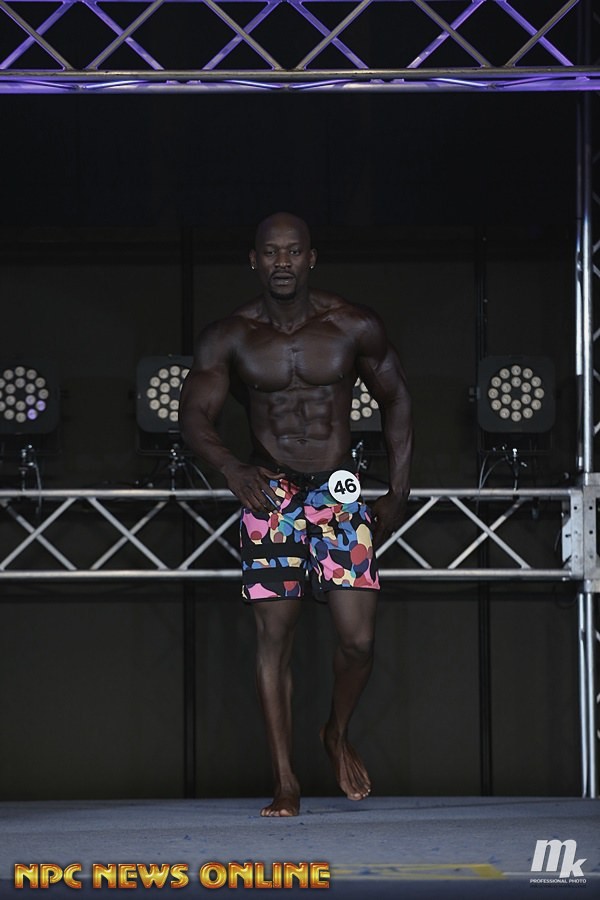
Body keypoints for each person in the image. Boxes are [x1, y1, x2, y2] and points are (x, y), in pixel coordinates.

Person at [179, 212, 412, 818]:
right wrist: (231, 469)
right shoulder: (230, 335)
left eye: (292, 251)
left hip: (338, 494)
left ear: (311, 258)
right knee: (273, 638)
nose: (281, 261)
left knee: (358, 640)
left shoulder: (352, 324)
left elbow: (396, 399)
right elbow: (193, 416)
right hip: (270, 494)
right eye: (270, 252)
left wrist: (398, 492)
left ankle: (335, 731)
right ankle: (285, 781)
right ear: (253, 260)